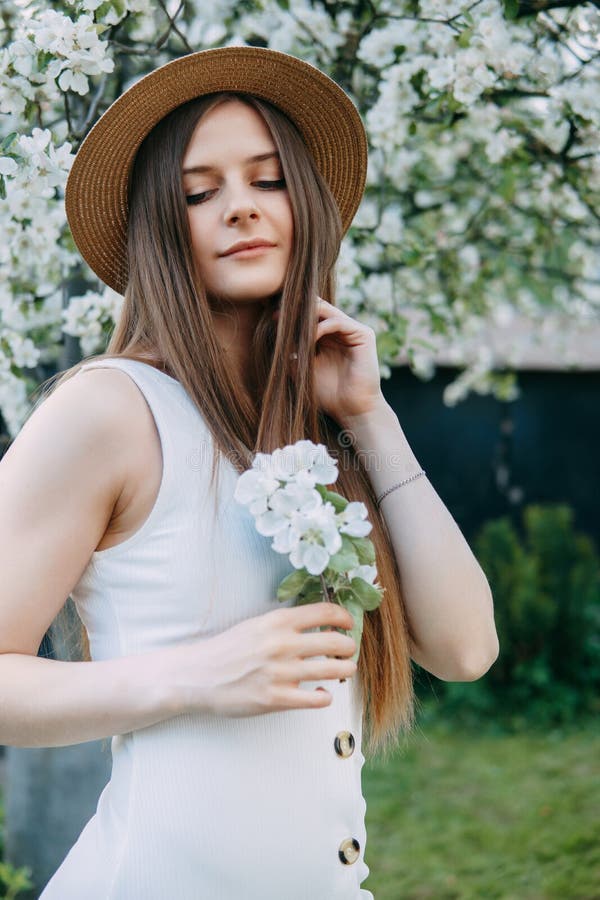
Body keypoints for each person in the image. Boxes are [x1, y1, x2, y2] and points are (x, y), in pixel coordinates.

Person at [0, 46, 499, 899]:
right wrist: (197, 676)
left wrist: (368, 418)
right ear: (164, 223)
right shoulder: (110, 411)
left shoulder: (319, 425)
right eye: (201, 192)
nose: (240, 210)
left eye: (267, 181)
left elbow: (465, 647)